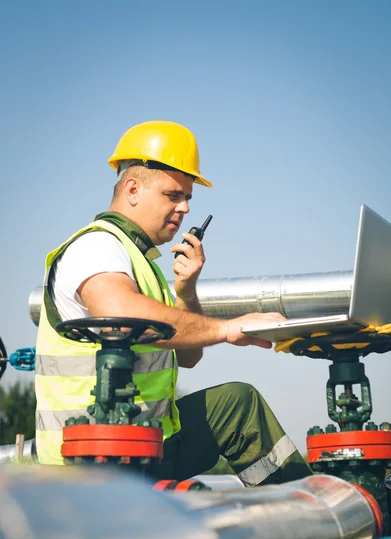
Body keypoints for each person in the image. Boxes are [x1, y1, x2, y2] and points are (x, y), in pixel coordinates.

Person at [35, 120, 312, 485]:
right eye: (173, 195)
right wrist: (228, 328)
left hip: (149, 442)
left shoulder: (141, 264)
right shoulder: (95, 247)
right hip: (87, 461)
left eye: (188, 199)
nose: (184, 209)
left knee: (237, 404)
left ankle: (299, 505)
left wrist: (186, 291)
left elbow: (189, 357)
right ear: (133, 188)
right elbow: (120, 313)